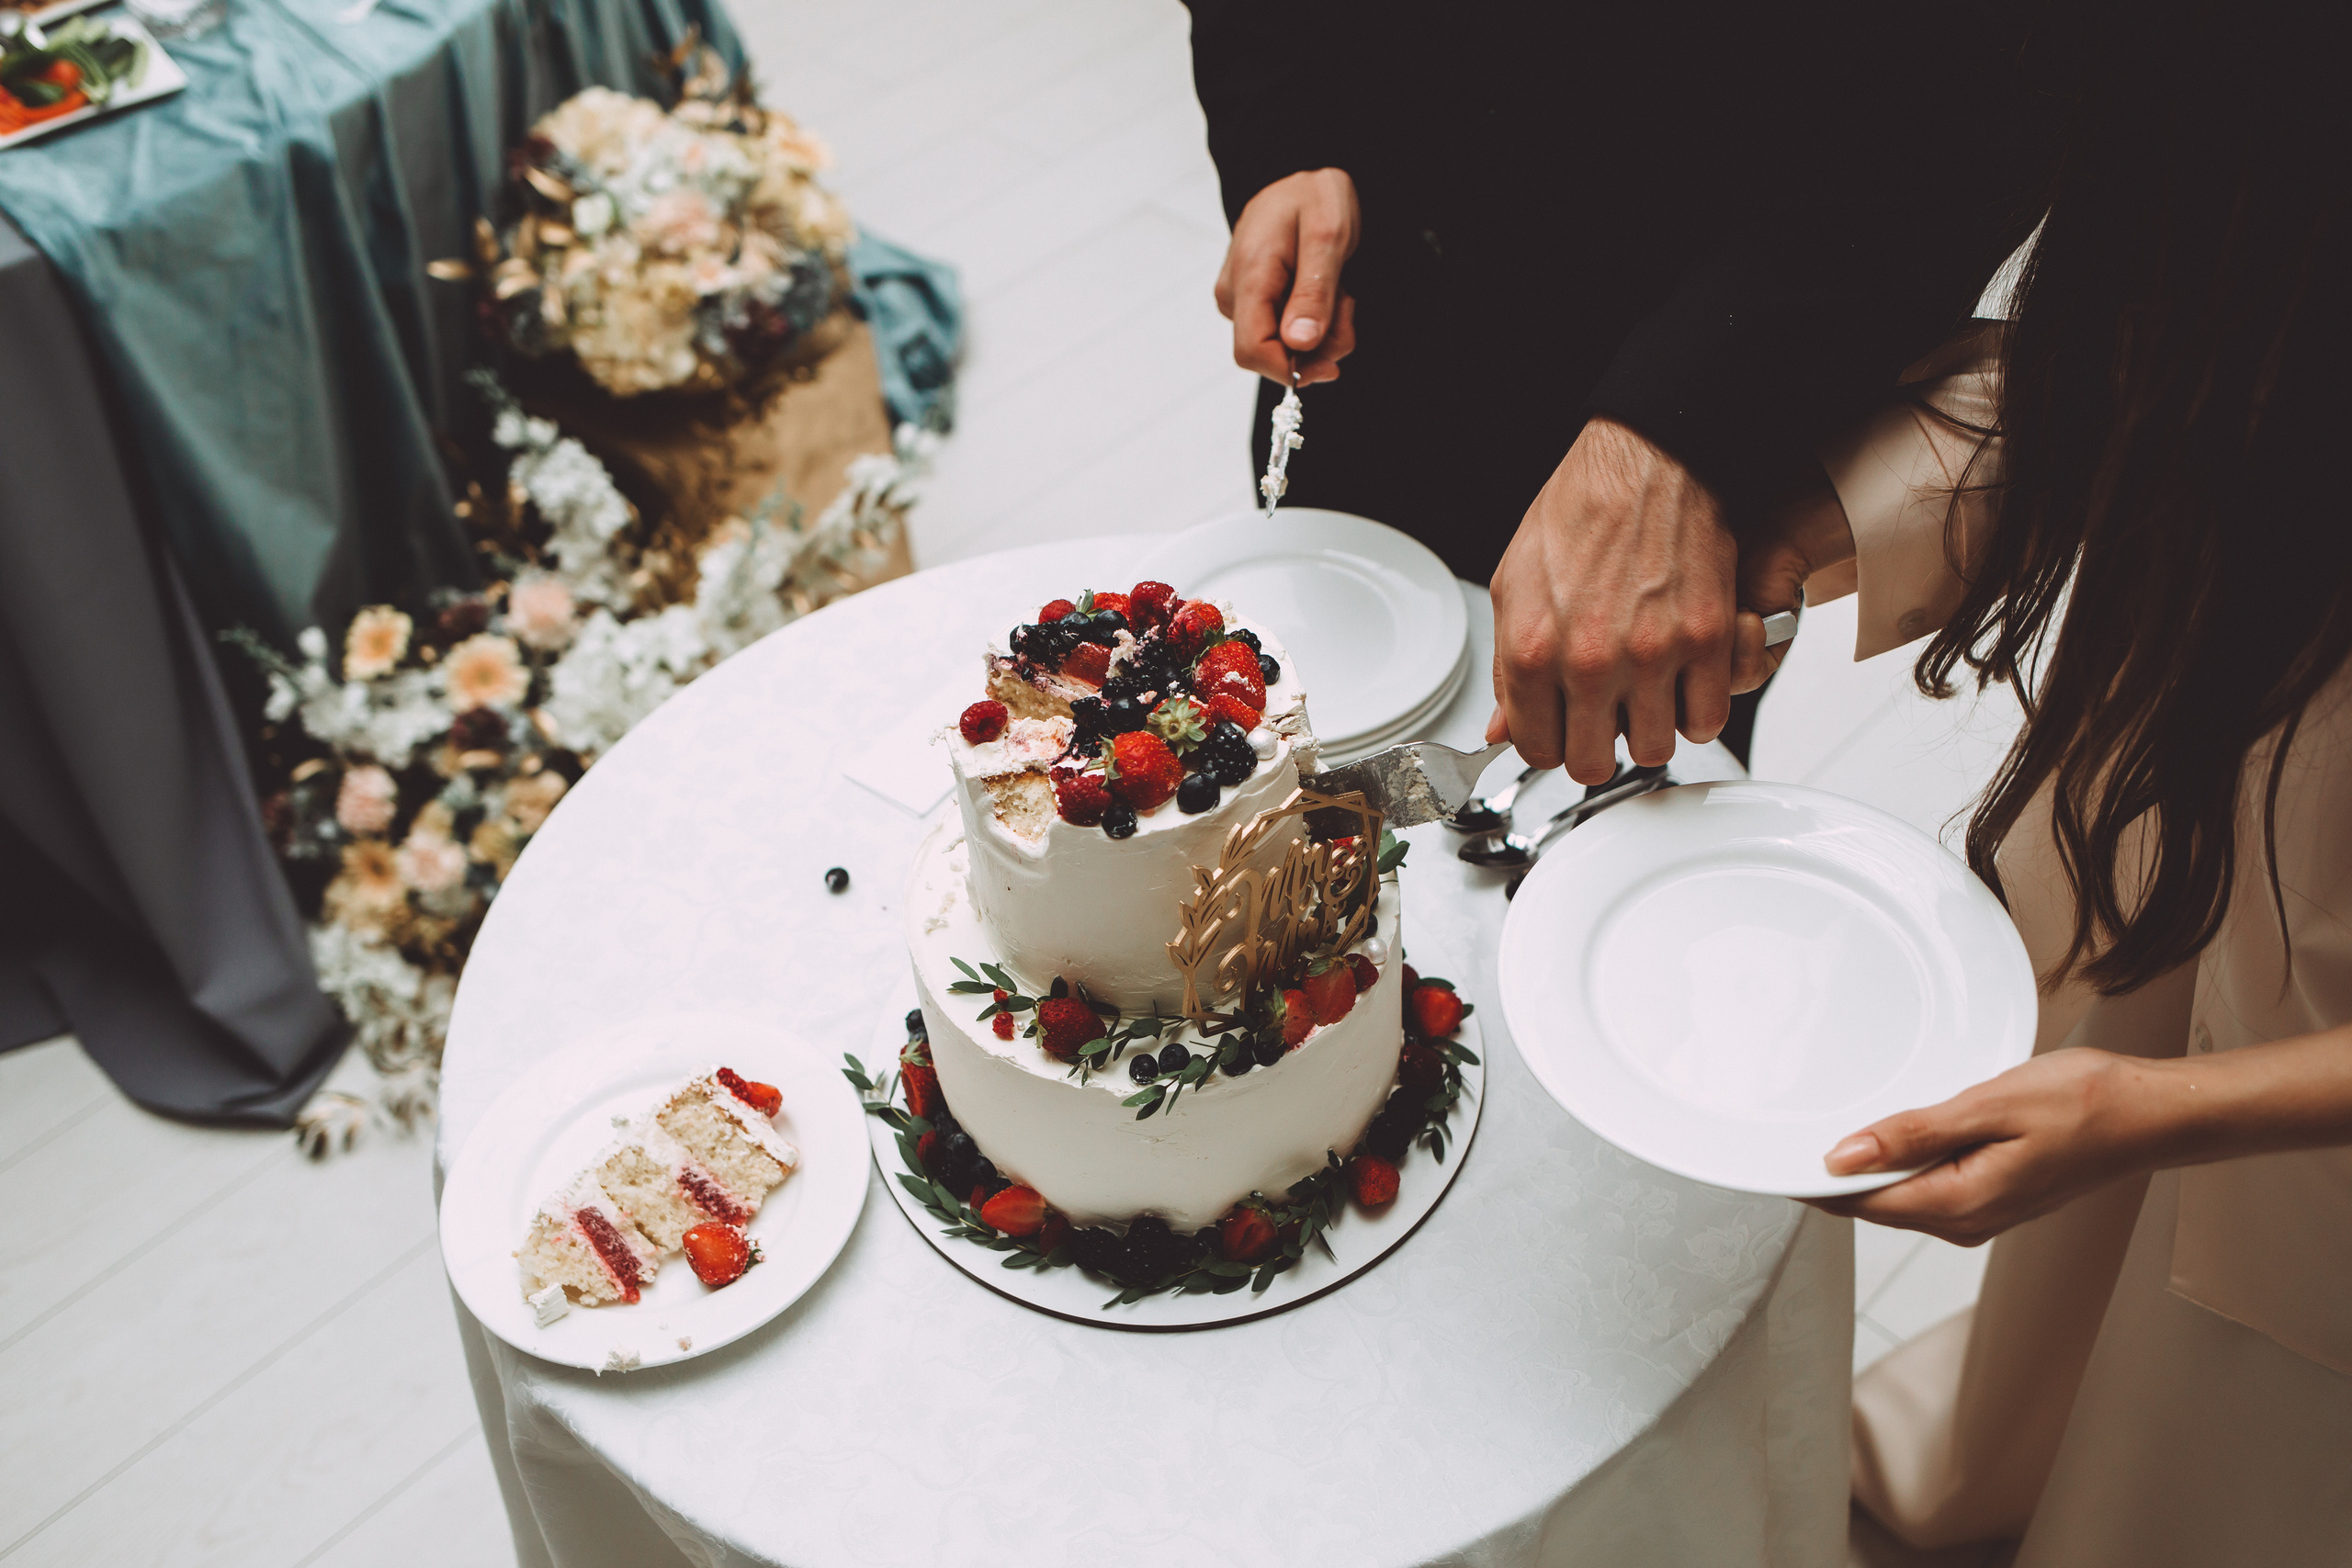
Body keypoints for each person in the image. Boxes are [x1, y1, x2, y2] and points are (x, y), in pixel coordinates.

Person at [1725, 7, 2351, 1559]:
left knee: (2222, 1425)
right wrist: (1803, 524)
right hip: (2184, 843)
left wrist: (2165, 1107)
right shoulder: (2241, 144)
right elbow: (2170, 373)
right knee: (2066, 1317)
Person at [1180, 1, 2052, 779]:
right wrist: (1283, 140)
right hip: (1371, 329)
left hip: (1693, 356)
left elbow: (1974, 95)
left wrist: (1683, 423)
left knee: (1620, 801)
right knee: (1292, 738)